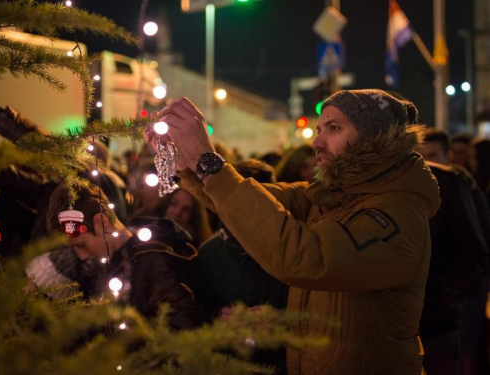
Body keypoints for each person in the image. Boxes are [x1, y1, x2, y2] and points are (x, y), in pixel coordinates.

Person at [146, 89, 441, 374]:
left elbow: (308, 258)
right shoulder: (331, 196)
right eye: (319, 129)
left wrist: (209, 162)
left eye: (334, 128)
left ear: (374, 138)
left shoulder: (397, 214)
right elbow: (243, 201)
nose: (317, 143)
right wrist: (185, 163)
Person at [46, 184, 203, 330]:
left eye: (81, 245)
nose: (82, 256)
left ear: (101, 222)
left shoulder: (154, 261)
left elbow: (184, 332)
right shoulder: (109, 259)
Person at [191, 158, 289, 374]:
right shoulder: (209, 253)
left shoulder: (290, 247)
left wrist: (280, 318)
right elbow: (195, 311)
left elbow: (310, 308)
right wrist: (219, 316)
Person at [419, 129, 490, 375]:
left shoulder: (453, 183)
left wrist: (440, 293)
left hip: (447, 310)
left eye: (432, 155)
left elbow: (476, 252)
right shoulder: (408, 186)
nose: (426, 162)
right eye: (420, 155)